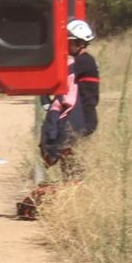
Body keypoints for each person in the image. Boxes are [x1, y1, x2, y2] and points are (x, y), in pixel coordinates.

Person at [38, 19, 98, 171]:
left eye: (69, 42)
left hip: (82, 117)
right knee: (66, 153)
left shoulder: (83, 62)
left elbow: (59, 76)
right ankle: (70, 184)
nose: (66, 45)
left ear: (79, 43)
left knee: (64, 149)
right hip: (79, 116)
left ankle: (73, 184)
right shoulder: (80, 61)